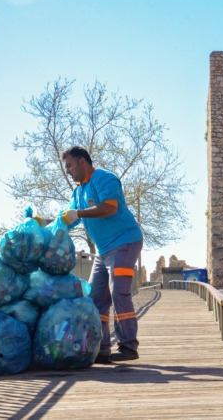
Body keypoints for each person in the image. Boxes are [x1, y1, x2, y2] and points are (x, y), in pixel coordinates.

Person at [60, 146, 143, 364]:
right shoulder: (78, 192)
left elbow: (109, 208)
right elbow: (68, 219)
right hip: (103, 251)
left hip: (124, 242)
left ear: (82, 161)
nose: (67, 171)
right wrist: (42, 224)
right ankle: (101, 349)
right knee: (95, 300)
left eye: (69, 165)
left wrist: (78, 213)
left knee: (119, 293)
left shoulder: (104, 178)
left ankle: (128, 346)